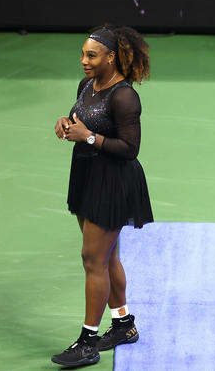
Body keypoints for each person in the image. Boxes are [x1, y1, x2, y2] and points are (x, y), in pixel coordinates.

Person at [51, 25, 153, 368]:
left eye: (91, 55)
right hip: (86, 177)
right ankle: (123, 325)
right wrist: (66, 124)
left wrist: (89, 137)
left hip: (113, 183)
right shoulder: (87, 85)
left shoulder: (124, 96)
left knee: (92, 259)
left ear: (111, 56)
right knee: (106, 258)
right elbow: (81, 120)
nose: (84, 61)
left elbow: (130, 149)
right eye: (82, 54)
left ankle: (87, 342)